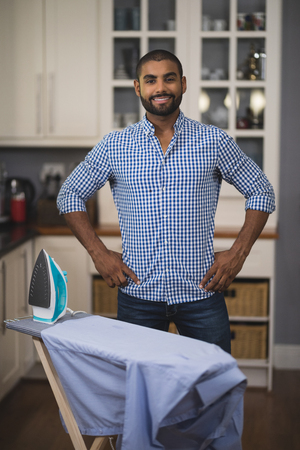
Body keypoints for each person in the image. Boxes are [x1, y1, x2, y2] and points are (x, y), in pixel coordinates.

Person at [57, 49, 275, 353]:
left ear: (183, 84)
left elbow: (261, 190)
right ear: (138, 88)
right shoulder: (114, 145)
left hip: (201, 296)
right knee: (141, 392)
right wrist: (99, 253)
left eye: (169, 79)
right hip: (138, 299)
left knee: (213, 391)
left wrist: (238, 253)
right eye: (151, 80)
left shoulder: (213, 141)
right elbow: (70, 194)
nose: (160, 88)